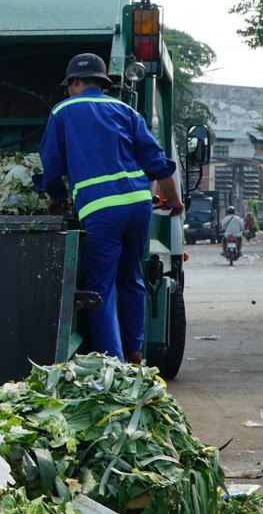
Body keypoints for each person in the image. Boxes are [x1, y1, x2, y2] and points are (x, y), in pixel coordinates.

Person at [39, 53, 183, 364]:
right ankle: (134, 355)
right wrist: (175, 200)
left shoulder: (62, 111)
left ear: (76, 82)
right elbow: (156, 161)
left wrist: (58, 196)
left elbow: (51, 166)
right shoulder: (126, 110)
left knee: (100, 288)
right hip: (138, 204)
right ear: (101, 82)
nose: (67, 91)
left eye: (68, 85)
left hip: (102, 209)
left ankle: (113, 364)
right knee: (132, 278)